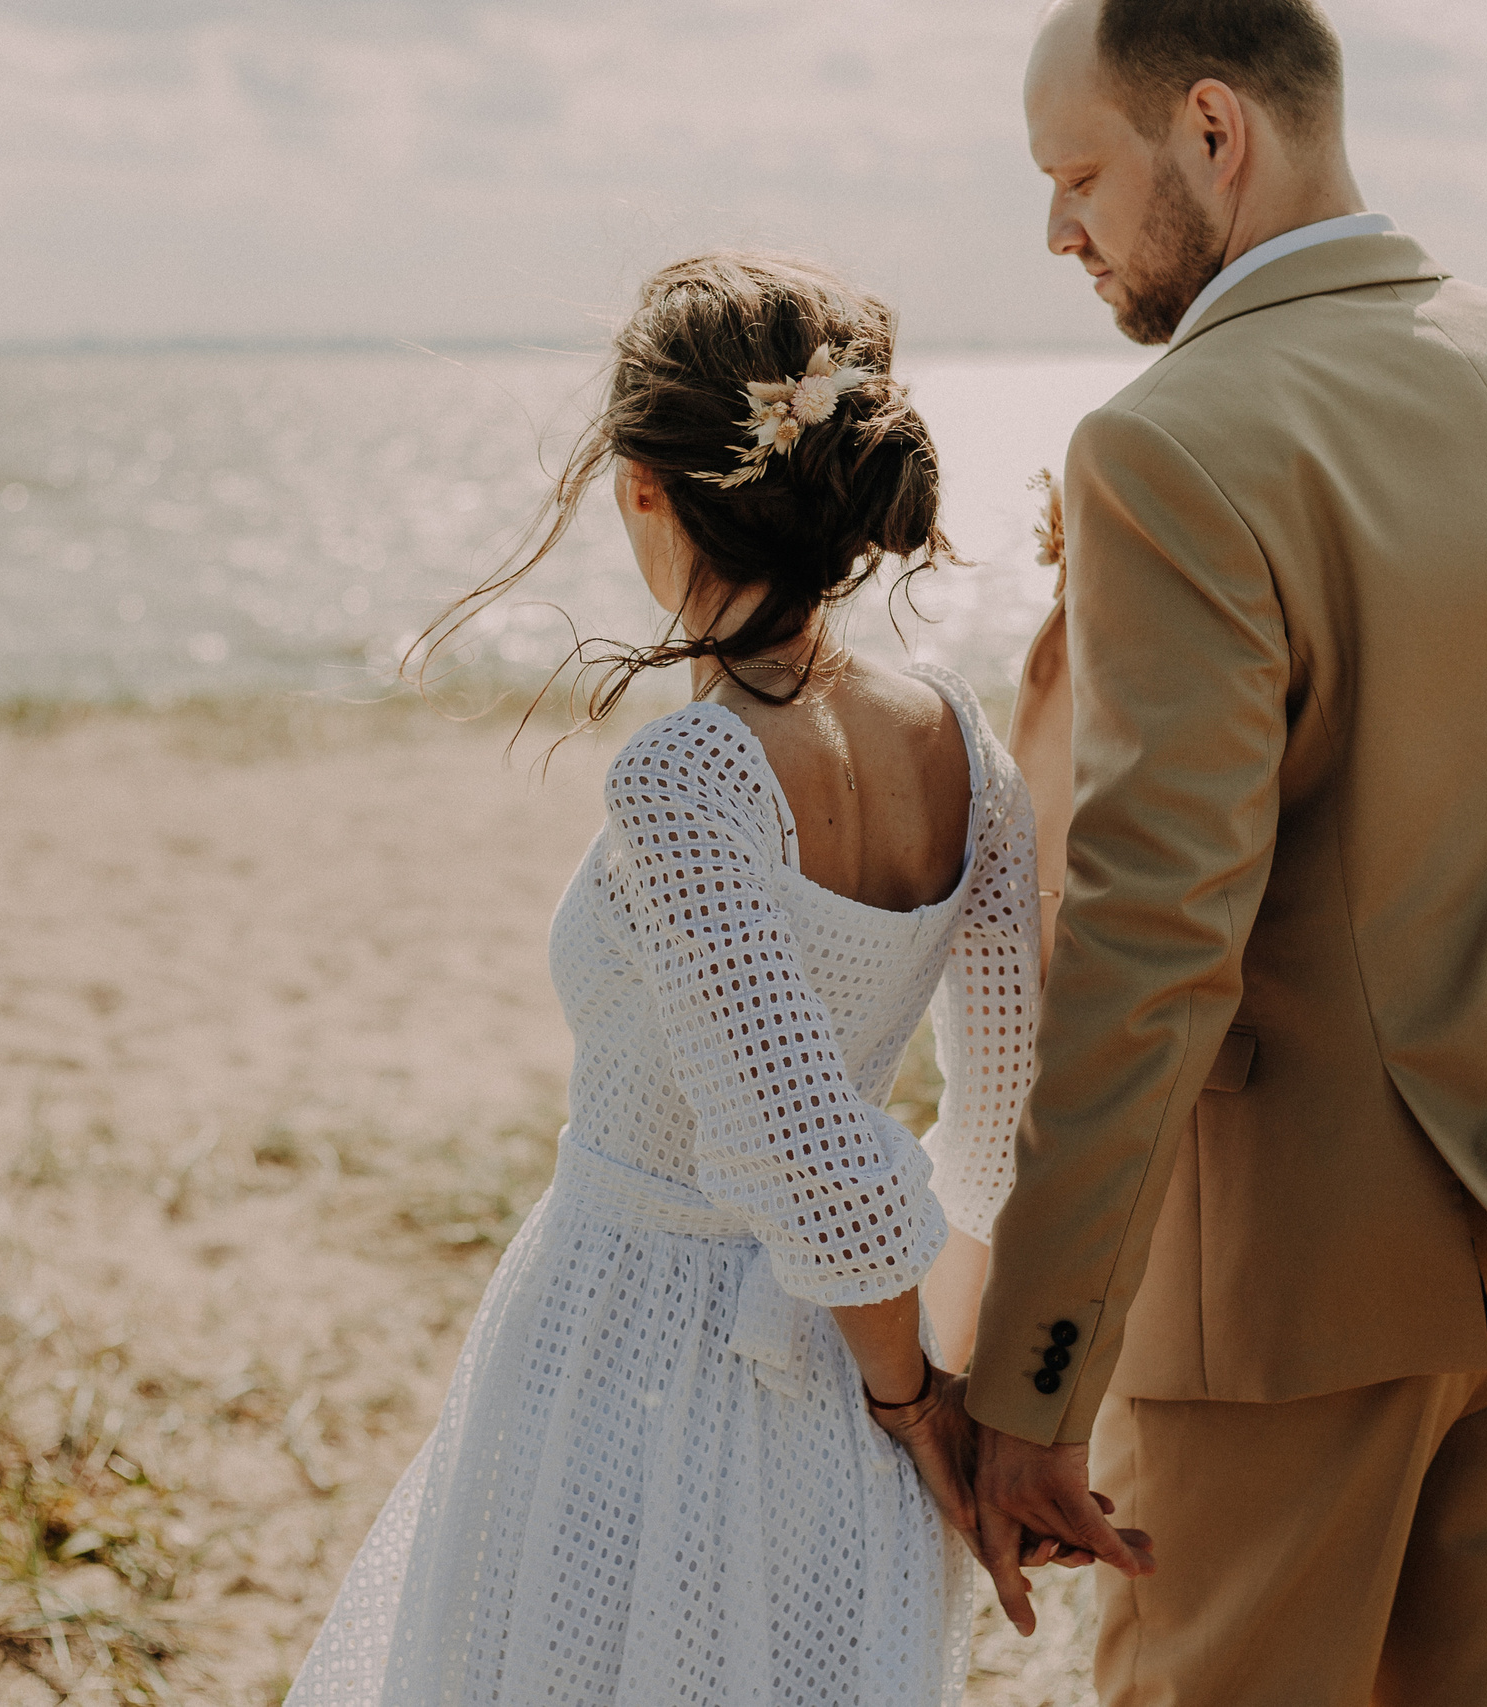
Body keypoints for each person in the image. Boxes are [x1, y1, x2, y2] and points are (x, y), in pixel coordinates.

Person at [966, 2, 1487, 1701]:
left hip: (1289, 1309)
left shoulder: (1172, 443)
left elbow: (1151, 940)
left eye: (1078, 173)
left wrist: (1036, 1375)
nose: (1056, 230)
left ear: (1215, 132)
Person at [282, 252, 1074, 1707]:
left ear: (645, 486)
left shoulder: (687, 773)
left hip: (632, 1338)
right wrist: (954, 1377)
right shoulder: (965, 747)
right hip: (867, 1363)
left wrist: (911, 1400)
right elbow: (1007, 1101)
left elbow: (796, 1144)